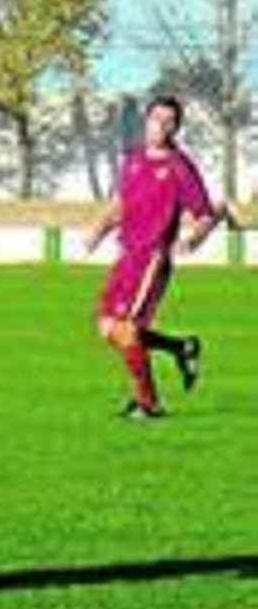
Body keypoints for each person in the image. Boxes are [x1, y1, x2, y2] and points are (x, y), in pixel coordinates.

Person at [82, 94, 227, 419]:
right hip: (126, 255)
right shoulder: (132, 159)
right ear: (146, 121)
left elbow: (204, 214)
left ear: (176, 127)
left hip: (151, 260)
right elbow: (122, 204)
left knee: (126, 330)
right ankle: (181, 348)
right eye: (155, 119)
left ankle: (148, 404)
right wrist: (99, 229)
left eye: (168, 121)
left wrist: (193, 240)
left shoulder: (179, 167)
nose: (160, 125)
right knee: (107, 327)